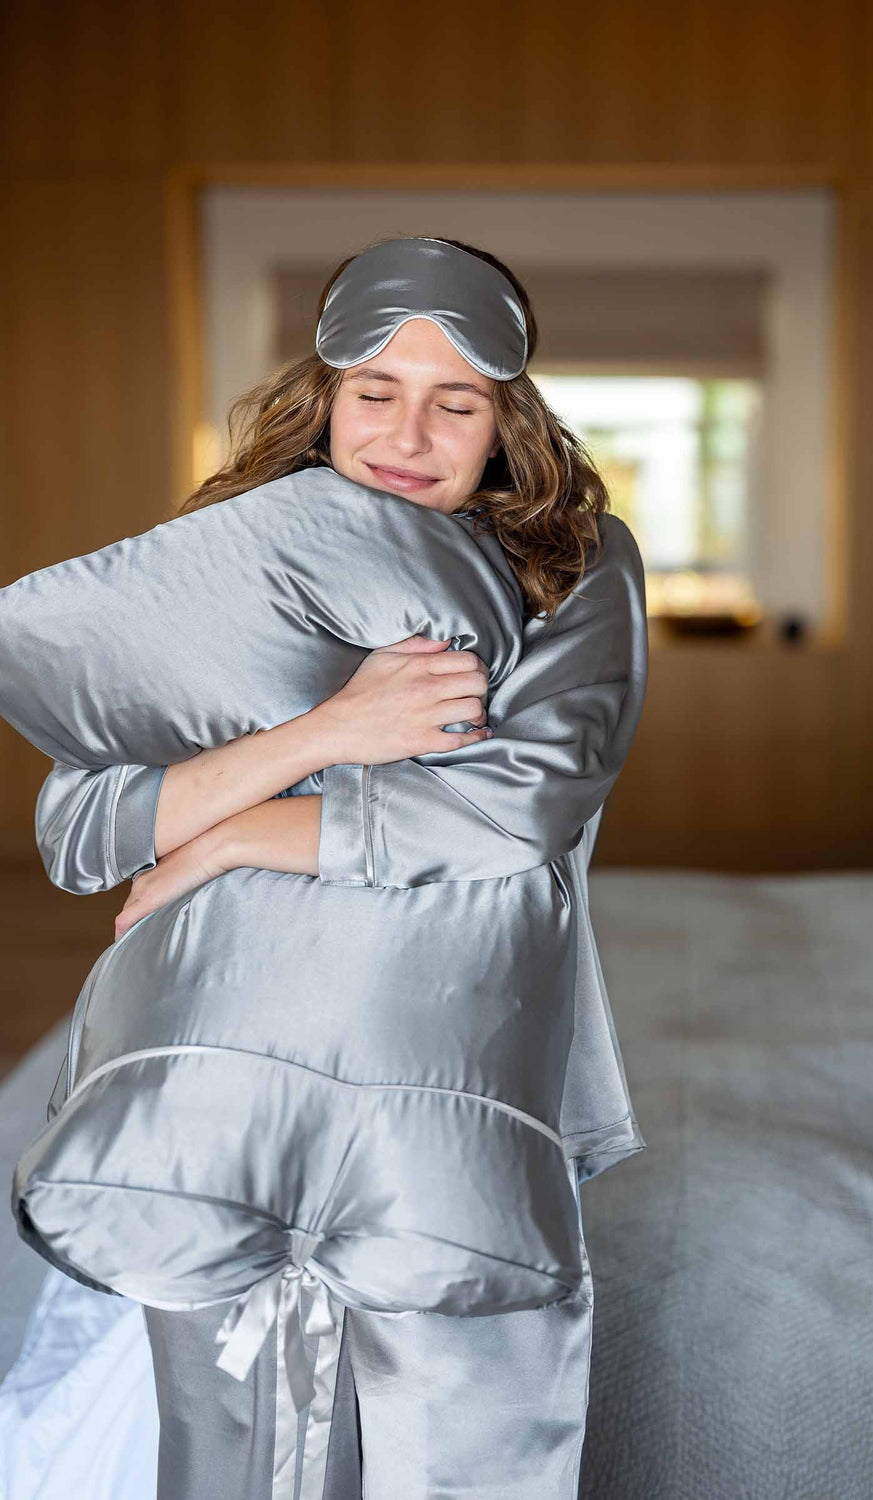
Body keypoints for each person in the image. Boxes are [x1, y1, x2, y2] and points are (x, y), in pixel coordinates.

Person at [32, 235, 648, 1499]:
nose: (408, 434)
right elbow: (81, 833)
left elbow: (520, 807)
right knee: (234, 1425)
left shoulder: (578, 564)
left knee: (472, 1418)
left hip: (447, 1058)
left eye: (454, 403)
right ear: (324, 396)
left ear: (505, 423)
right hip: (209, 1050)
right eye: (377, 392)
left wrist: (233, 830)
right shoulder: (236, 551)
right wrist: (327, 733)